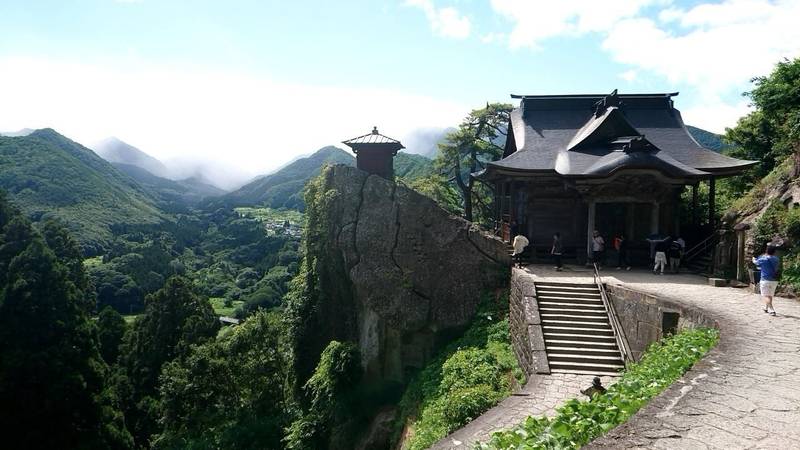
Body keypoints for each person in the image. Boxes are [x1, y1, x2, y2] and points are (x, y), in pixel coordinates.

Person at [753, 245, 780, 316]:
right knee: (770, 295)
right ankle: (766, 308)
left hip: (765, 280)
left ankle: (772, 310)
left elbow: (756, 263)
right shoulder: (776, 259)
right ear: (774, 252)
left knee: (766, 295)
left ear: (766, 251)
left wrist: (753, 259)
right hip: (774, 280)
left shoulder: (763, 259)